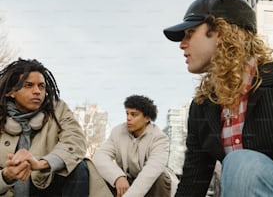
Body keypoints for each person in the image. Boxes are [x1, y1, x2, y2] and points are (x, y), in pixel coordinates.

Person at [163, 0, 273, 196]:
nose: (182, 44)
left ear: (220, 31)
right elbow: (193, 183)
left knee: (242, 164)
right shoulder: (201, 107)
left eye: (190, 33)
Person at [0, 58, 112, 197]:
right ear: (11, 92)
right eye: (28, 85)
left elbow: (75, 140)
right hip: (6, 190)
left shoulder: (58, 108)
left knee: (79, 166)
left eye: (41, 86)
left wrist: (42, 164)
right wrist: (6, 176)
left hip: (45, 185)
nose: (37, 91)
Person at [93, 95, 178, 197]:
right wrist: (118, 177)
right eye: (127, 113)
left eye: (134, 114)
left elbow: (150, 173)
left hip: (154, 185)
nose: (128, 118)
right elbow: (99, 157)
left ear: (147, 118)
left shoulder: (160, 138)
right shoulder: (118, 132)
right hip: (128, 180)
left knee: (159, 177)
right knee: (100, 174)